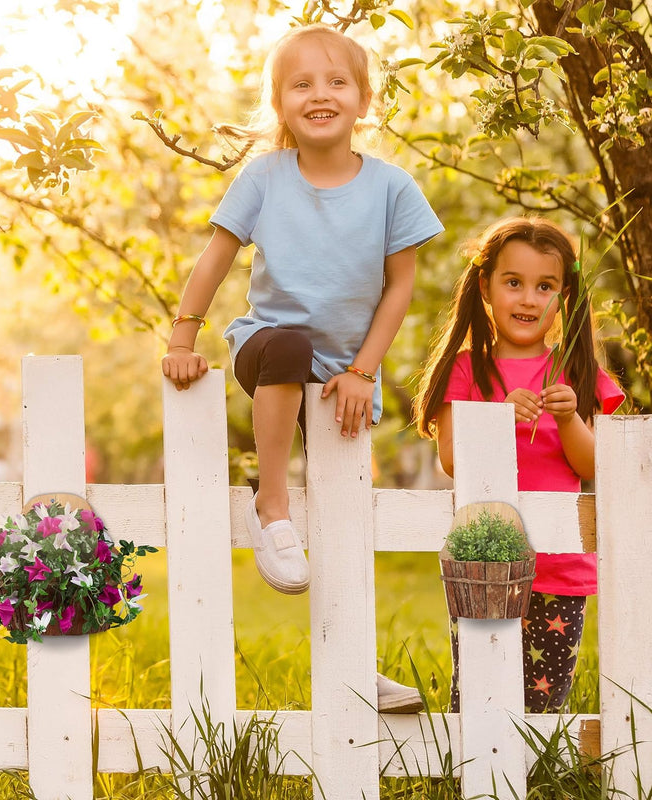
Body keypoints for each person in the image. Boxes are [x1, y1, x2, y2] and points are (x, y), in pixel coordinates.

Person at [161, 24, 443, 712]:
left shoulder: (391, 188)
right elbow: (216, 257)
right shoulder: (262, 178)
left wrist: (364, 372)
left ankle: (357, 660)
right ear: (281, 103)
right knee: (286, 344)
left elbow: (399, 285)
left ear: (364, 98)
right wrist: (182, 336)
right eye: (302, 84)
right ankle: (271, 501)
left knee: (345, 517)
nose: (321, 94)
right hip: (269, 350)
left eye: (336, 81)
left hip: (344, 377)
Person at [414, 216, 624, 712]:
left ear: (563, 295)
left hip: (561, 566)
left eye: (545, 286)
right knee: (479, 694)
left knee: (542, 703)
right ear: (485, 286)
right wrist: (497, 417)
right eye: (514, 283)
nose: (529, 299)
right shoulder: (466, 370)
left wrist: (570, 417)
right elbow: (450, 459)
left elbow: (596, 464)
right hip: (483, 562)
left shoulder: (577, 372)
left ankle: (537, 781)